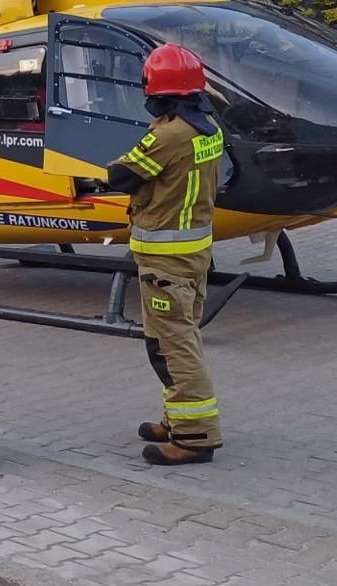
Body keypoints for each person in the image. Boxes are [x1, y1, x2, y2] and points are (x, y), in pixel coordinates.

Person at [102, 43, 224, 466]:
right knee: (176, 338)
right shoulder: (208, 128)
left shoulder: (169, 136)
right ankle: (178, 419)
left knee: (174, 346)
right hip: (192, 254)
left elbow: (121, 174)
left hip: (166, 260)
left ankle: (195, 436)